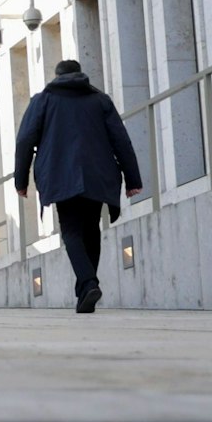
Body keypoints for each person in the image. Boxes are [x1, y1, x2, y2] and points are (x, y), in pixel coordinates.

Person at [14, 59, 144, 313]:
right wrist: (133, 179)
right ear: (80, 74)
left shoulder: (42, 101)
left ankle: (88, 283)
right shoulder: (100, 100)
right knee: (91, 229)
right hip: (98, 173)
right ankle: (86, 290)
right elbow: (121, 140)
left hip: (59, 174)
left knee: (71, 231)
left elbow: (25, 140)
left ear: (57, 75)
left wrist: (21, 180)